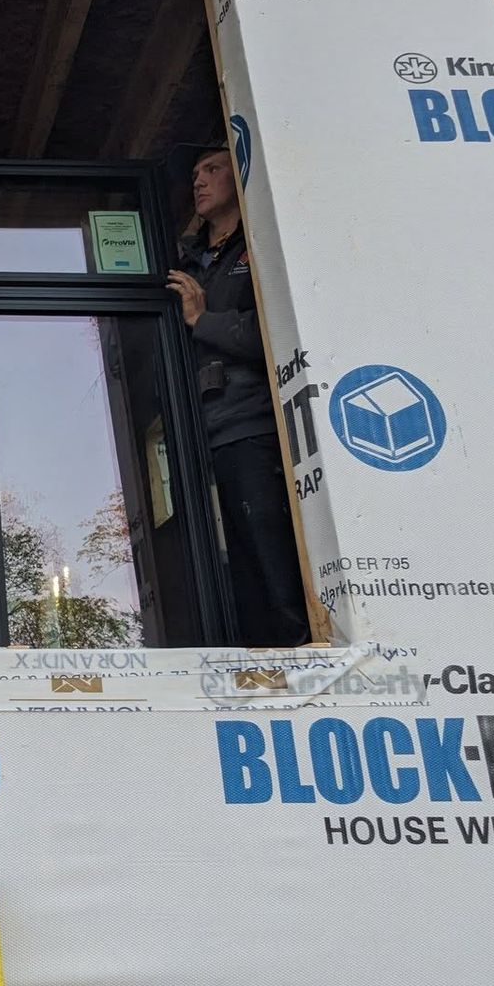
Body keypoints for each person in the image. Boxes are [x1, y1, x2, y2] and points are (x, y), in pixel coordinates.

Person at [166, 146, 310, 646]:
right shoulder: (188, 257)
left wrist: (203, 320)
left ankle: (296, 658)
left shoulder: (260, 245)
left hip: (251, 426)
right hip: (197, 434)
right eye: (194, 174)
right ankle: (255, 664)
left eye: (212, 170)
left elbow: (276, 332)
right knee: (230, 566)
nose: (199, 182)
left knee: (268, 549)